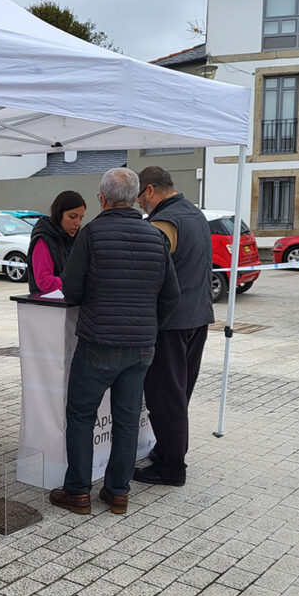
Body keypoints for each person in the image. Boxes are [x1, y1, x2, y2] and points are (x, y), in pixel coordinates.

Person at [50, 168, 179, 516]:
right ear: (136, 198)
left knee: (80, 416)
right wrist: (149, 326)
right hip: (140, 348)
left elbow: (72, 290)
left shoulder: (91, 234)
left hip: (97, 343)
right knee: (126, 418)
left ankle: (77, 491)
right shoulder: (155, 237)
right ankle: (118, 492)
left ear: (102, 199)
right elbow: (171, 296)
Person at [134, 166, 214, 487]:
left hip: (171, 324)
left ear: (151, 190)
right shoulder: (195, 214)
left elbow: (152, 275)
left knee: (166, 397)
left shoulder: (163, 223)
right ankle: (169, 450)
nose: (140, 204)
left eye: (140, 197)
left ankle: (170, 467)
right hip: (198, 318)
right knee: (180, 394)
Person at [26, 191, 87, 293]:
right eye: (72, 216)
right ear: (59, 214)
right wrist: (76, 283)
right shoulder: (43, 240)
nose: (77, 223)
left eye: (81, 218)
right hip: (47, 306)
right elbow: (44, 282)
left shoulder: (75, 239)